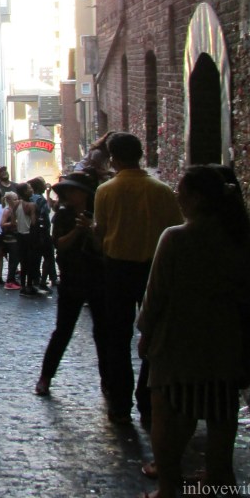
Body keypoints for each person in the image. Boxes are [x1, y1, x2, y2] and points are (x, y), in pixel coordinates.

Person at [136, 166, 250, 498]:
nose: (177, 198)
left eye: (180, 192)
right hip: (225, 343)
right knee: (221, 416)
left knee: (167, 417)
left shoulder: (175, 238)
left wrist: (145, 333)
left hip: (176, 343)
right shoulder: (238, 239)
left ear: (195, 198)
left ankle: (167, 490)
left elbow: (155, 297)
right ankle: (215, 483)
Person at [92, 132, 183, 427]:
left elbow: (101, 234)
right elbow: (176, 231)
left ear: (114, 159)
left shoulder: (106, 191)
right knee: (154, 337)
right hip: (153, 271)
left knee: (117, 339)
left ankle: (121, 405)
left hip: (117, 270)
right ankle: (148, 402)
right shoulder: (162, 191)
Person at [35, 171, 109, 398]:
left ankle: (107, 381)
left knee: (102, 333)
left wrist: (91, 229)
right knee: (63, 330)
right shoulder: (63, 216)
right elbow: (60, 244)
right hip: (71, 279)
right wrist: (78, 230)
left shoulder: (99, 214)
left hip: (97, 279)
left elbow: (103, 248)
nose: (68, 193)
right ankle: (45, 377)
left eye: (73, 190)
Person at [0, 191, 22, 290]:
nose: (17, 201)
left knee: (16, 259)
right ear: (9, 200)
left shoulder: (15, 209)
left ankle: (12, 279)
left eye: (17, 199)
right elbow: (2, 224)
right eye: (15, 199)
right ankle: (9, 281)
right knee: (13, 260)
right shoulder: (7, 211)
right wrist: (13, 223)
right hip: (10, 239)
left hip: (16, 238)